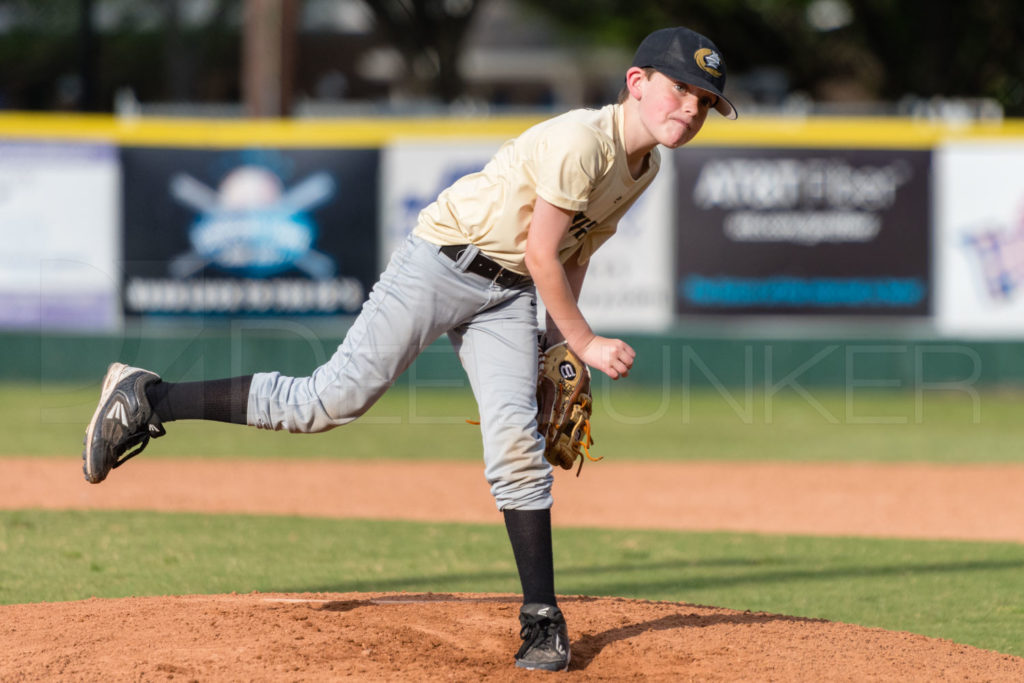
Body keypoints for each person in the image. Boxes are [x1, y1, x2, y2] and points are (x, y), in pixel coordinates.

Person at [82, 26, 736, 672]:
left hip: (506, 297)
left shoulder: (643, 165)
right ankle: (149, 397)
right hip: (442, 264)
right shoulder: (581, 142)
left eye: (706, 101)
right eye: (681, 88)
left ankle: (542, 620)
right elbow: (541, 252)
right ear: (636, 82)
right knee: (326, 401)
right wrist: (586, 340)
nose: (691, 107)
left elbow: (575, 252)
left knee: (516, 443)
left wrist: (556, 346)